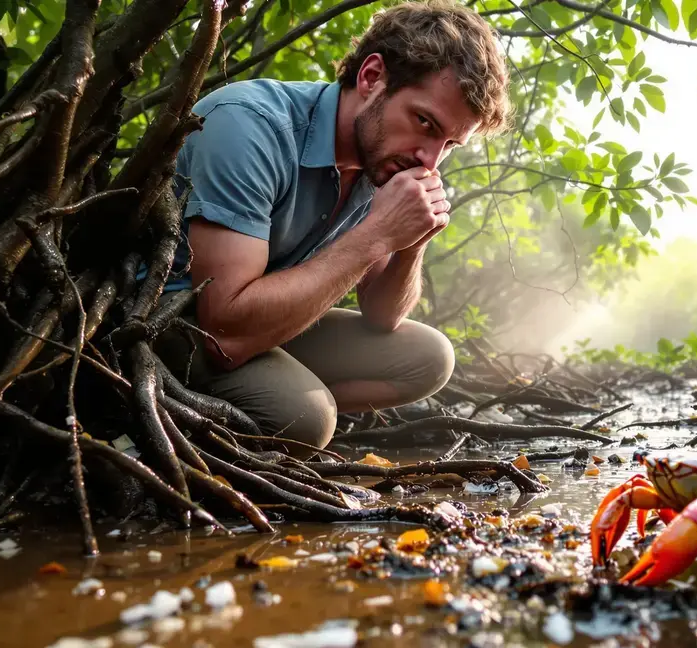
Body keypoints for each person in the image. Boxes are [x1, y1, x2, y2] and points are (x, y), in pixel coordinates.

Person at [154, 0, 511, 456]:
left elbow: (384, 316)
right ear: (371, 77)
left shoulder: (378, 162)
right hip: (174, 320)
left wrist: (410, 242)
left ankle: (253, 411)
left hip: (258, 318)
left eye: (449, 145)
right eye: (424, 122)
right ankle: (171, 421)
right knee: (306, 418)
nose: (429, 159)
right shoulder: (249, 125)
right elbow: (222, 329)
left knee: (429, 359)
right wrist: (377, 234)